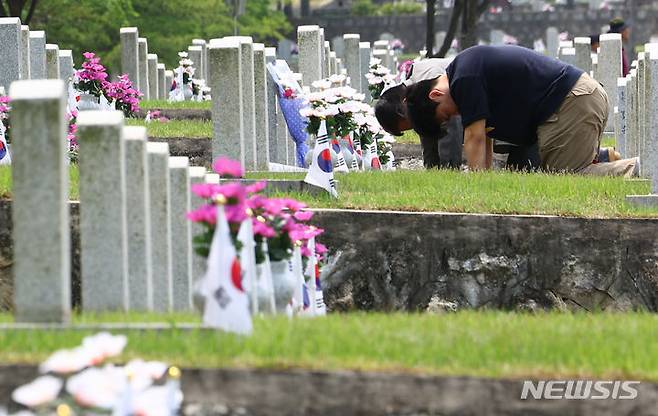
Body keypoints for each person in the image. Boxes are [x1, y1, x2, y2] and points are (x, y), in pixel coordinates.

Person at [405, 45, 638, 176]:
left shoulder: (464, 78)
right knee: (560, 176)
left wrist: (474, 196)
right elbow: (484, 136)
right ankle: (610, 159)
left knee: (568, 178)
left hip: (571, 103)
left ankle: (641, 169)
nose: (455, 116)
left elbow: (474, 137)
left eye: (446, 114)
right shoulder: (465, 71)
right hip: (576, 101)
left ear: (435, 95)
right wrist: (483, 183)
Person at [375, 58, 540, 171]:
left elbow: (451, 129)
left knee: (524, 165)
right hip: (496, 118)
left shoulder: (429, 80)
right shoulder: (417, 87)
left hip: (515, 113)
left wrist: (450, 171)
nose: (415, 127)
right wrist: (433, 171)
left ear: (402, 109)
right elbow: (429, 136)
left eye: (410, 125)